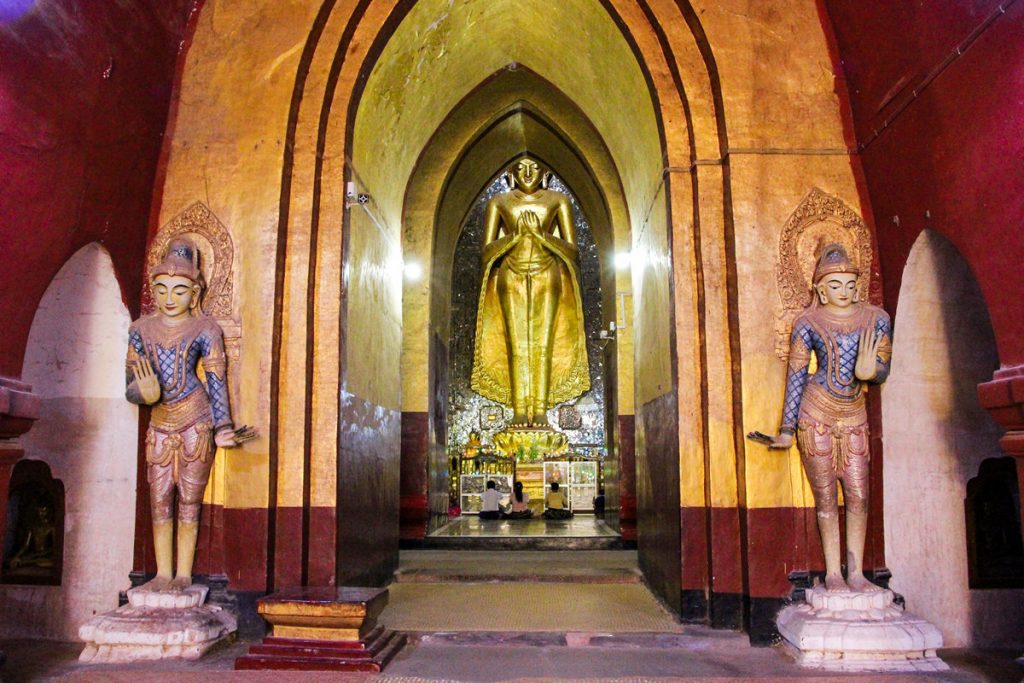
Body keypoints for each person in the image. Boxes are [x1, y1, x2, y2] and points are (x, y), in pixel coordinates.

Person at [751, 243, 891, 593]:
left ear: (857, 286)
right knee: (826, 496)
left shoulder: (876, 319)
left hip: (854, 412)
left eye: (848, 284)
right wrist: (786, 430)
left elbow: (883, 369)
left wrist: (871, 371)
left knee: (858, 494)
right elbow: (797, 373)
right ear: (819, 289)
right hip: (815, 415)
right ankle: (832, 572)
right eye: (834, 285)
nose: (842, 292)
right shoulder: (807, 322)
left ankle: (857, 572)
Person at [126, 238, 257, 592]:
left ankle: (183, 573)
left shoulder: (205, 329)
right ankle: (162, 573)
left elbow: (216, 379)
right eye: (162, 289)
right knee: (158, 497)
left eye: (180, 290)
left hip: (196, 419)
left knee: (189, 498)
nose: (170, 298)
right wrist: (143, 393)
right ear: (153, 289)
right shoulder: (140, 329)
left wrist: (223, 427)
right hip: (159, 420)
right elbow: (130, 384)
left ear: (195, 292)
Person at [471, 156, 590, 428]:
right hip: (510, 274)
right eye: (521, 168)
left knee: (543, 344)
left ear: (545, 172)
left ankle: (540, 412)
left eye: (535, 167)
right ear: (511, 171)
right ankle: (519, 411)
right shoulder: (499, 202)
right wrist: (513, 237)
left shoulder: (557, 200)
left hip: (547, 273)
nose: (527, 173)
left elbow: (572, 250)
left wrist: (541, 235)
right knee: (516, 344)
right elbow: (486, 252)